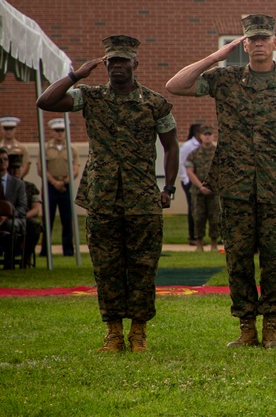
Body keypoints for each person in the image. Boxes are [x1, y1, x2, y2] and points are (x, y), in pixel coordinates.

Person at [166, 14, 276, 349]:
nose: (258, 45)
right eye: (252, 40)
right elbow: (176, 85)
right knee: (239, 257)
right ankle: (247, 327)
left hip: (275, 184)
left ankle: (271, 326)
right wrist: (215, 57)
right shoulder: (225, 79)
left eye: (264, 39)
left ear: (275, 44)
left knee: (274, 257)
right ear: (244, 45)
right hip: (234, 185)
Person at [36, 34, 179, 352]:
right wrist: (76, 75)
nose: (117, 67)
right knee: (106, 266)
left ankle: (138, 332)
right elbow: (45, 102)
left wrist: (167, 188)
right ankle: (113, 333)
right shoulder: (90, 96)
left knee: (143, 266)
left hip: (143, 196)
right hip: (102, 196)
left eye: (122, 61)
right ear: (105, 65)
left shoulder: (155, 103)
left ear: (134, 64)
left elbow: (171, 147)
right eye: (111, 61)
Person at [38, 118, 80, 257]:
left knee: (67, 220)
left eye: (62, 130)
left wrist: (63, 183)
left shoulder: (72, 148)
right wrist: (54, 182)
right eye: (57, 130)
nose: (60, 133)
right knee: (47, 219)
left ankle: (68, 250)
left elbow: (75, 170)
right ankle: (45, 250)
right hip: (50, 186)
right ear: (52, 132)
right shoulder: (45, 148)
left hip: (66, 187)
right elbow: (41, 169)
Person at [185, 125, 221, 253]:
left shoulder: (218, 154)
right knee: (198, 217)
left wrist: (212, 186)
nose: (207, 136)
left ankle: (214, 243)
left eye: (209, 134)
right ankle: (199, 242)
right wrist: (201, 186)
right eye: (204, 134)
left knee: (215, 217)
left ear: (213, 136)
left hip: (214, 192)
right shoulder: (193, 154)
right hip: (198, 192)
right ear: (200, 136)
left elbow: (222, 171)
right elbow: (190, 172)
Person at [0, 149, 28, 270]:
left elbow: (22, 207)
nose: (2, 162)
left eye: (5, 159)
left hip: (14, 219)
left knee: (11, 225)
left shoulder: (18, 184)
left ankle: (9, 262)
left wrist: (7, 215)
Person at [178, 123, 202, 246]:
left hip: (200, 182)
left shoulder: (203, 146)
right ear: (197, 133)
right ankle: (192, 236)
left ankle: (201, 236)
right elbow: (180, 163)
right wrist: (186, 180)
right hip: (189, 182)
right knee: (193, 209)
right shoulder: (187, 146)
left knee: (202, 210)